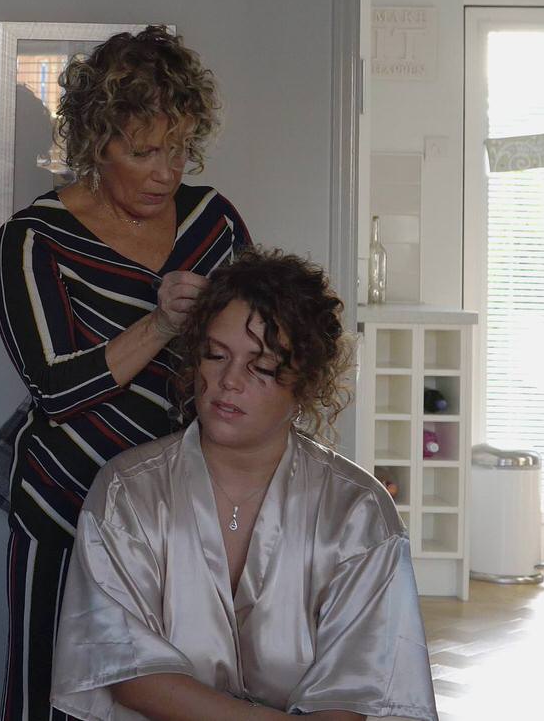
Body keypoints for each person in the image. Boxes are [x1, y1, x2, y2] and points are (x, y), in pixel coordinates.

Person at [0, 26, 253, 721]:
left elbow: (253, 351)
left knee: (174, 682)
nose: (166, 170)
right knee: (50, 682)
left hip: (184, 505)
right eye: (144, 150)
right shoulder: (35, 238)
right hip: (64, 499)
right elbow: (55, 388)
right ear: (97, 143)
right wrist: (158, 324)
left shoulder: (214, 223)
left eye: (180, 147)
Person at [51, 250, 438, 721]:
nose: (228, 381)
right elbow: (127, 670)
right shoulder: (128, 491)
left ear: (307, 381)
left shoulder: (357, 510)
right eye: (215, 355)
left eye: (261, 365)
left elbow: (362, 689)